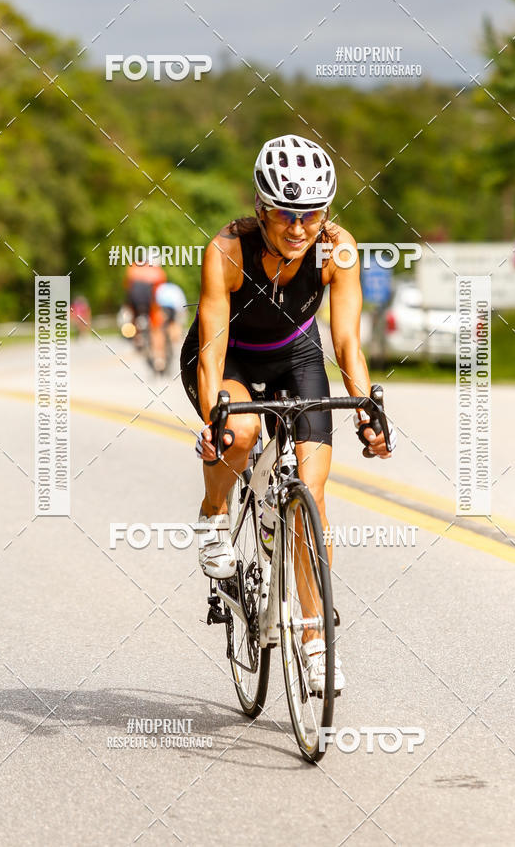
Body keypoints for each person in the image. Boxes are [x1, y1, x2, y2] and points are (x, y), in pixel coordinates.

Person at [180, 134, 396, 693]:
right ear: (261, 209)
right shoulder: (226, 251)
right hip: (230, 357)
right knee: (242, 430)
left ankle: (315, 638)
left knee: (311, 492)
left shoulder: (337, 248)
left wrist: (367, 409)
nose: (299, 228)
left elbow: (346, 341)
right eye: (285, 214)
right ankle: (212, 514)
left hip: (295, 358)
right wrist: (215, 422)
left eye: (312, 214)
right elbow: (212, 350)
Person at [123, 259, 167, 372]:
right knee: (157, 329)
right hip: (151, 304)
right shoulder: (158, 271)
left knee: (133, 316)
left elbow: (127, 286)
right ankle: (159, 358)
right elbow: (160, 292)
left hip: (134, 303)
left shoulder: (133, 267)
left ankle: (137, 338)